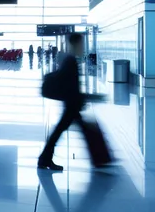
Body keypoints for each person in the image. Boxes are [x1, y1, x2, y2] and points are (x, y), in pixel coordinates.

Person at [38, 33, 111, 172]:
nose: (83, 47)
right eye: (81, 44)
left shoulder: (69, 59)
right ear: (75, 44)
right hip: (71, 105)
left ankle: (100, 160)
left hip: (72, 105)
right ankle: (100, 160)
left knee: (61, 132)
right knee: (59, 133)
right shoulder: (70, 61)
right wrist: (89, 97)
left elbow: (70, 86)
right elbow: (71, 87)